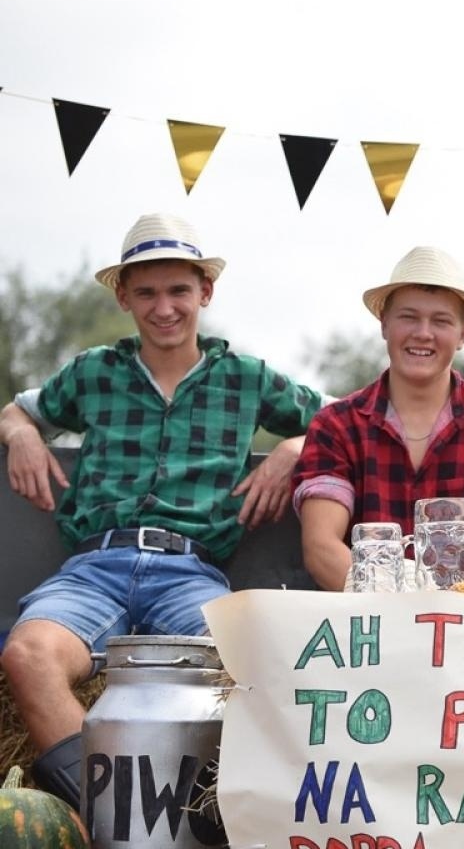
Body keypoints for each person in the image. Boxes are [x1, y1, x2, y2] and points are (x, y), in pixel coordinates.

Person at [0, 213, 323, 809]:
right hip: (93, 568)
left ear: (206, 291)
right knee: (27, 655)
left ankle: (212, 830)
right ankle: (99, 819)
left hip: (189, 572)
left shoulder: (246, 378)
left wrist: (293, 447)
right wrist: (19, 432)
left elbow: (346, 421)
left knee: (248, 668)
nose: (164, 307)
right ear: (123, 296)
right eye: (146, 292)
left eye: (179, 290)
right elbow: (21, 411)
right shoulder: (94, 371)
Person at [293, 247, 464, 590]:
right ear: (384, 325)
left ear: (463, 335)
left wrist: (462, 618)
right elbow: (321, 548)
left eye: (441, 321)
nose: (423, 333)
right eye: (408, 317)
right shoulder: (336, 424)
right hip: (366, 624)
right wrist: (398, 616)